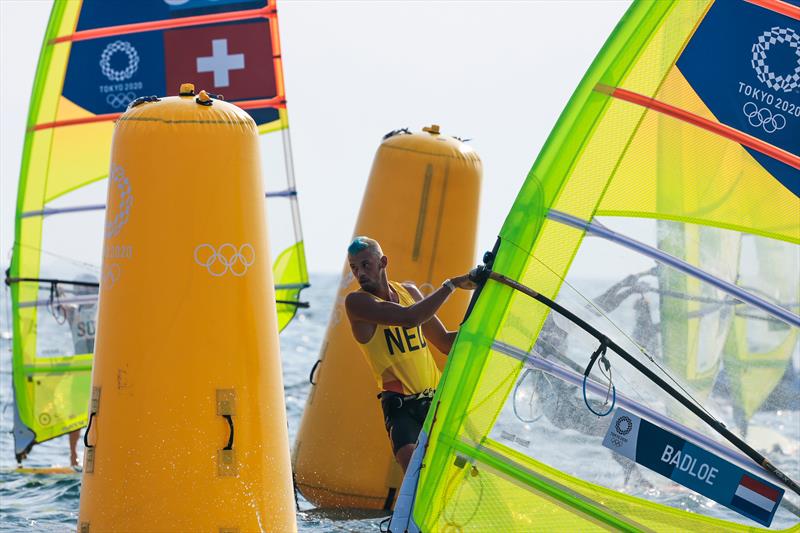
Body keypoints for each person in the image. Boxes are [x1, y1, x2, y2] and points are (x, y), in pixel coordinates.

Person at [344, 236, 475, 472]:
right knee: (415, 479)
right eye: (354, 268)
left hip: (436, 403)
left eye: (366, 265)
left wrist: (483, 331)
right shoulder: (357, 303)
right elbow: (409, 318)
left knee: (460, 473)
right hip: (401, 410)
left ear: (382, 262)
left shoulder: (409, 292)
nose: (360, 273)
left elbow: (445, 342)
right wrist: (451, 285)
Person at [56, 274, 99, 468]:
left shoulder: (102, 309)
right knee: (74, 415)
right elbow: (62, 305)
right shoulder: (74, 312)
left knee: (98, 415)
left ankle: (96, 452)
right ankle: (73, 455)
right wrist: (59, 291)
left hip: (98, 370)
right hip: (80, 372)